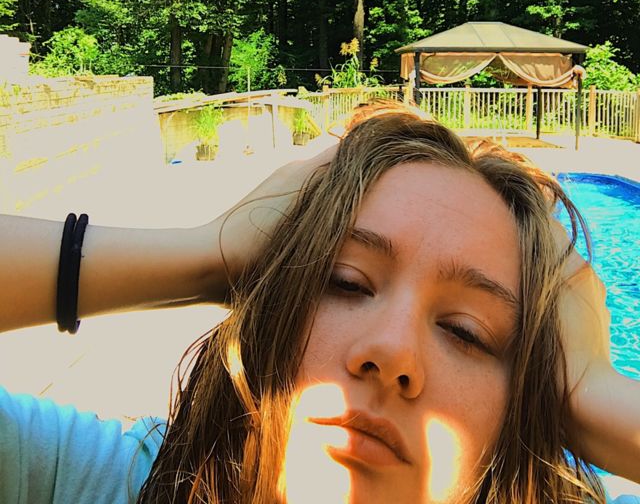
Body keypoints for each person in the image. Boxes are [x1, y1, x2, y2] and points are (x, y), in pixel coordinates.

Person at [1, 106, 639, 503]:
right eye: (345, 282)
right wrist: (206, 253)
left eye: (466, 331)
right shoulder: (110, 482)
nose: (392, 350)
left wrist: (589, 395)